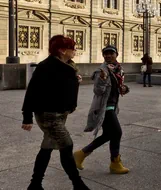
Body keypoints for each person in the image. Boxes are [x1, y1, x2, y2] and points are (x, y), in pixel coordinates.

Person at [22, 35, 90, 190]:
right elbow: (32, 91)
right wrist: (27, 117)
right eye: (72, 48)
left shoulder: (68, 66)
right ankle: (78, 184)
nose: (75, 50)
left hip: (60, 113)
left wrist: (75, 81)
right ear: (62, 50)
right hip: (49, 115)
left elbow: (61, 88)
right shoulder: (46, 66)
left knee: (47, 147)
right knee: (66, 146)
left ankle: (35, 184)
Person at [74, 45, 130, 175]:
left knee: (108, 135)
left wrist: (125, 89)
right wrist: (102, 80)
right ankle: (115, 163)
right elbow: (98, 91)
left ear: (116, 54)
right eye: (106, 54)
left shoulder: (118, 69)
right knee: (117, 133)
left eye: (111, 53)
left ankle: (81, 154)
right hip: (104, 107)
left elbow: (119, 86)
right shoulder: (101, 70)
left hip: (113, 106)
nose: (108, 56)